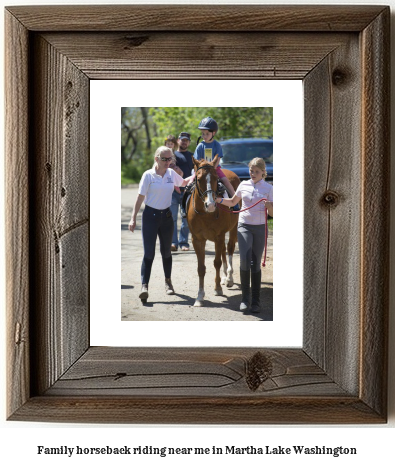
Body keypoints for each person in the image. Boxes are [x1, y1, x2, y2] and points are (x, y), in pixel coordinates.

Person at [128, 146, 195, 302]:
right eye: (164, 159)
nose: (168, 162)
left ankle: (168, 282)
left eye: (170, 159)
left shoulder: (171, 174)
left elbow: (183, 183)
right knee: (149, 254)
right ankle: (144, 286)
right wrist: (133, 218)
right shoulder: (148, 176)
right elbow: (139, 198)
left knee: (167, 252)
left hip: (166, 217)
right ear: (156, 159)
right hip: (150, 217)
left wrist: (195, 176)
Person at [215, 157, 273, 314]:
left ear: (263, 172)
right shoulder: (243, 184)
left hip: (260, 228)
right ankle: (245, 300)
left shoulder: (268, 188)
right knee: (245, 260)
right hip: (244, 226)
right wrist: (218, 200)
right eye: (251, 171)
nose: (253, 174)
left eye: (256, 172)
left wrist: (270, 207)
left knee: (255, 263)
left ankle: (256, 301)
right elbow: (233, 201)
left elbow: (274, 214)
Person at [194, 116, 239, 210]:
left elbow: (218, 159)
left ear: (213, 133)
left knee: (226, 182)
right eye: (203, 134)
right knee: (190, 183)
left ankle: (235, 201)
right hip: (202, 170)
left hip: (215, 168)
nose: (204, 136)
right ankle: (184, 204)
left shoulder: (217, 145)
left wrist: (212, 167)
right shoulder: (200, 146)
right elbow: (197, 161)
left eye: (206, 134)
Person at [170, 132, 194, 252]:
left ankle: (184, 242)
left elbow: (195, 173)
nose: (184, 142)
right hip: (173, 191)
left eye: (186, 140)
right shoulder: (172, 155)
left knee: (186, 218)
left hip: (187, 191)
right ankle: (173, 243)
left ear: (189, 142)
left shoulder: (192, 156)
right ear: (178, 141)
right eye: (182, 140)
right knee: (172, 217)